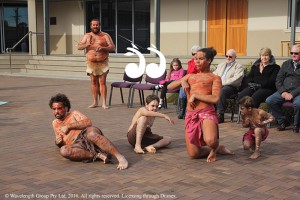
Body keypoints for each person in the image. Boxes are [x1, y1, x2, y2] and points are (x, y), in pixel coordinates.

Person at [168, 47, 234, 162]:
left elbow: (215, 98)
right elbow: (169, 87)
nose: (196, 62)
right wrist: (182, 81)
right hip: (191, 115)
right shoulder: (190, 76)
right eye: (195, 59)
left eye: (200, 59)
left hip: (206, 113)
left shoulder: (215, 78)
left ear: (209, 60)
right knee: (194, 154)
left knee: (211, 141)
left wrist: (196, 96)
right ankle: (218, 149)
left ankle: (213, 147)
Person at [49, 93, 128, 170]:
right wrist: (58, 142)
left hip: (86, 134)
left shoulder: (74, 114)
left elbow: (88, 122)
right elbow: (61, 141)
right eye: (54, 109)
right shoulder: (54, 123)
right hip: (78, 145)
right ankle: (97, 155)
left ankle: (120, 157)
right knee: (63, 151)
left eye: (59, 108)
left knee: (91, 134)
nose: (56, 111)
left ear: (66, 108)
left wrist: (68, 126)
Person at [78, 19, 115, 109]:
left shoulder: (105, 35)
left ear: (99, 25)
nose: (95, 26)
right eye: (93, 25)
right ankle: (95, 102)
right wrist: (86, 44)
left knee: (102, 82)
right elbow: (79, 47)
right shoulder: (87, 36)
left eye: (97, 25)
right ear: (90, 26)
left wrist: (103, 48)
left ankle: (104, 103)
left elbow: (112, 47)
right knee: (93, 82)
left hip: (102, 62)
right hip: (91, 63)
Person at [266, 44, 300, 133]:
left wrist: (292, 94)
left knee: (298, 104)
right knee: (269, 100)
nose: (293, 55)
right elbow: (278, 79)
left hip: (297, 93)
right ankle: (283, 121)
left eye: (296, 53)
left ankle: (296, 125)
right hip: (285, 91)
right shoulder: (286, 64)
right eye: (291, 53)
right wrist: (283, 92)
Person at [213, 49, 244, 123]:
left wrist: (222, 83)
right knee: (209, 89)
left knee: (222, 91)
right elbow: (214, 74)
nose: (228, 58)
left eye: (230, 56)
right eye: (226, 56)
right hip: (219, 85)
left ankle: (220, 115)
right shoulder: (221, 65)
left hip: (231, 87)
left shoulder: (238, 66)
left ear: (235, 57)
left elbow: (236, 79)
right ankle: (212, 112)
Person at [177, 45, 202, 119]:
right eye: (193, 54)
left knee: (187, 89)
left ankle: (188, 111)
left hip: (197, 80)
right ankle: (182, 110)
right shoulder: (190, 62)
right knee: (183, 89)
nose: (194, 55)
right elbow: (188, 73)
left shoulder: (201, 62)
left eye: (196, 53)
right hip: (189, 80)